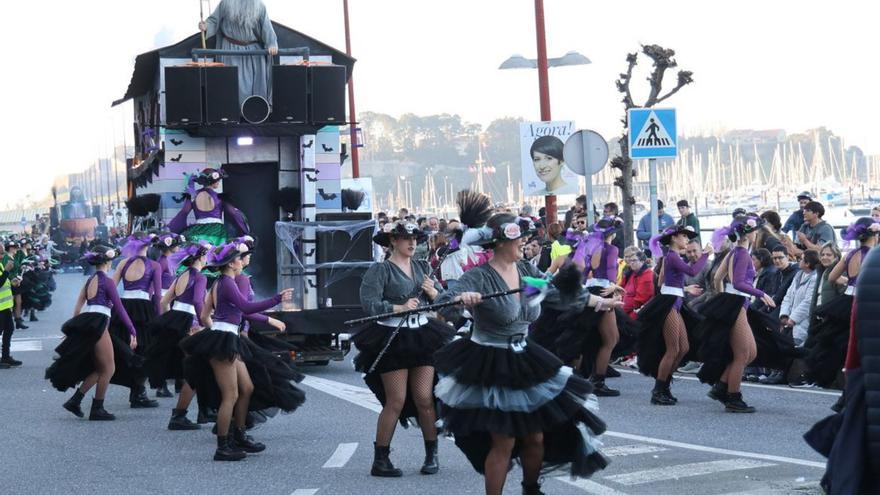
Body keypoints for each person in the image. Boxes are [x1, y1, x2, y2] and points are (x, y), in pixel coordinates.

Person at [433, 214, 611, 495]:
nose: (524, 242)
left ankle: (531, 489)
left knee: (536, 437)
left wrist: (599, 300)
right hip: (491, 360)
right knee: (503, 440)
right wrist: (459, 299)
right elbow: (445, 301)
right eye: (518, 238)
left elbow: (555, 294)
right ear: (500, 242)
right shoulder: (479, 276)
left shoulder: (527, 273)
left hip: (525, 357)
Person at [353, 221, 454, 477]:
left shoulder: (423, 267)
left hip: (422, 335)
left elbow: (442, 301)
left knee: (424, 398)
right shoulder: (381, 270)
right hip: (392, 337)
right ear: (392, 242)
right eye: (406, 238)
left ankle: (432, 455)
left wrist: (433, 293)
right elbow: (369, 303)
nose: (412, 243)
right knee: (395, 401)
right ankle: (381, 459)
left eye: (415, 239)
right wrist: (398, 308)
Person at [180, 242, 293, 461]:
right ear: (231, 263)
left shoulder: (221, 282)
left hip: (227, 337)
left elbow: (204, 315)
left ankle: (239, 435)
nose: (242, 261)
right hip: (224, 340)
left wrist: (213, 331)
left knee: (247, 387)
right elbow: (246, 308)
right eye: (240, 259)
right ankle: (223, 446)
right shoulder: (227, 283)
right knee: (230, 395)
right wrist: (277, 299)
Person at [697, 215, 791, 413]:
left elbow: (717, 277)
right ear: (750, 233)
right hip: (737, 302)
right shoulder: (742, 254)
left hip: (735, 302)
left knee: (751, 352)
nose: (758, 233)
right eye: (756, 230)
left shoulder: (734, 252)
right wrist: (761, 293)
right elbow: (739, 283)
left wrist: (724, 296)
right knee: (742, 354)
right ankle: (733, 397)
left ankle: (722, 386)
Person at [46, 245, 141, 421]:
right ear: (108, 261)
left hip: (88, 321)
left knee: (100, 368)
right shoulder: (108, 281)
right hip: (98, 322)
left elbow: (78, 305)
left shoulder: (90, 280)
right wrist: (132, 330)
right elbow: (119, 309)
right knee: (109, 368)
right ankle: (97, 408)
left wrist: (73, 328)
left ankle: (75, 401)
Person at [637, 225, 712, 405]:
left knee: (683, 348)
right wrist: (706, 254)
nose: (686, 240)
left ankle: (664, 383)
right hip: (669, 303)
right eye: (684, 236)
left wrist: (681, 288)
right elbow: (693, 271)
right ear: (673, 239)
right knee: (673, 348)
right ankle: (659, 389)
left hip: (676, 301)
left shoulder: (671, 257)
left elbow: (663, 280)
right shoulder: (671, 255)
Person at [144, 241, 212, 431]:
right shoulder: (200, 277)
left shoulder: (182, 275)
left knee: (193, 368)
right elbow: (199, 302)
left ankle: (202, 411)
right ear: (200, 257)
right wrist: (206, 324)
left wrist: (171, 321)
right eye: (205, 255)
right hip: (191, 323)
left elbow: (165, 301)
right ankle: (183, 415)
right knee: (197, 369)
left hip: (176, 319)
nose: (207, 259)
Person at [806, 219, 879, 389]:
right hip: (865, 303)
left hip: (845, 302)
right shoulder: (873, 256)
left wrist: (849, 282)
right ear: (875, 235)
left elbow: (832, 278)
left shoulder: (850, 254)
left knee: (838, 343)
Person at [110, 233, 163, 408]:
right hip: (143, 308)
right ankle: (138, 393)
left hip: (124, 306)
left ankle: (136, 391)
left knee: (126, 349)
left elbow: (111, 287)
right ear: (149, 245)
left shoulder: (124, 263)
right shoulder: (154, 265)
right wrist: (160, 317)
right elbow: (157, 295)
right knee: (145, 350)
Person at [199, 0, 279, 107]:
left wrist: (271, 44)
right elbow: (214, 20)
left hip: (253, 53)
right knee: (232, 86)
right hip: (230, 52)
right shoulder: (225, 3)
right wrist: (206, 26)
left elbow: (267, 28)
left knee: (255, 87)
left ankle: (255, 112)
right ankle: (230, 115)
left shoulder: (259, 6)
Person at [168, 168, 250, 246]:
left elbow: (185, 211)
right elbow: (232, 212)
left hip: (198, 230)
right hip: (217, 231)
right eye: (217, 180)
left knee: (198, 254)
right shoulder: (219, 197)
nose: (219, 181)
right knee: (217, 254)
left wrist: (176, 226)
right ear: (212, 181)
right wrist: (243, 226)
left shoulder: (194, 195)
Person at [779, 250, 820, 346]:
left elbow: (808, 302)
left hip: (801, 324)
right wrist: (784, 315)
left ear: (807, 263)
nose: (799, 261)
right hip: (788, 322)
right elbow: (788, 296)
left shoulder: (814, 278)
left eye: (801, 259)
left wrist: (793, 319)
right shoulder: (798, 275)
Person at [621, 246, 654, 320]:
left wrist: (621, 313)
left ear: (642, 261)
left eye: (634, 260)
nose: (630, 262)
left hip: (636, 314)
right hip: (624, 310)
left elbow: (639, 301)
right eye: (626, 257)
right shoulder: (631, 272)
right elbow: (621, 289)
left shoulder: (647, 275)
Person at [0, 254, 20, 368]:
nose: (2, 256)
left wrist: (12, 282)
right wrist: (7, 270)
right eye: (0, 253)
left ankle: (5, 357)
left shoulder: (0, 265)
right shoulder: (3, 266)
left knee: (9, 330)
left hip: (5, 306)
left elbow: (3, 282)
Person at [750, 248, 781, 313]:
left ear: (761, 260)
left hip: (760, 310)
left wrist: (750, 309)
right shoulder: (759, 271)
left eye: (753, 259)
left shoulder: (770, 273)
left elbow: (766, 295)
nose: (751, 262)